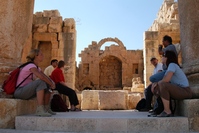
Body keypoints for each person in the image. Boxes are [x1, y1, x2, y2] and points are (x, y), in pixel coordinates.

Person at [14, 49, 56, 116]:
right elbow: (41, 77)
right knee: (40, 82)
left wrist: (51, 83)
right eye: (41, 54)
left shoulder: (37, 67)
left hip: (26, 91)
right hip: (20, 91)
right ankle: (39, 110)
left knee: (47, 84)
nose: (43, 56)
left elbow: (45, 77)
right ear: (36, 56)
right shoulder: (31, 66)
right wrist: (51, 84)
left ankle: (46, 109)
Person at [151, 51, 192, 117]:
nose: (162, 58)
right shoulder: (169, 67)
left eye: (163, 56)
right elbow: (165, 80)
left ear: (167, 58)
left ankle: (167, 111)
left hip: (185, 91)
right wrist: (155, 84)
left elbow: (166, 80)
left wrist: (157, 83)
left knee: (162, 84)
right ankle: (162, 108)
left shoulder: (172, 65)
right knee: (158, 86)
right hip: (180, 90)